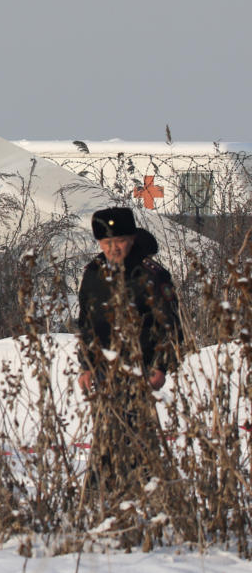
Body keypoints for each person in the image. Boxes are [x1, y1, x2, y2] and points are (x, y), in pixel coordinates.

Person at [76, 206, 182, 505]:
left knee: (137, 435)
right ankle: (100, 500)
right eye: (107, 244)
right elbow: (86, 322)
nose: (113, 248)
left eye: (119, 241)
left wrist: (160, 366)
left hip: (140, 369)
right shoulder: (93, 273)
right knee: (105, 433)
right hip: (103, 368)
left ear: (132, 239)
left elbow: (169, 324)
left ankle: (145, 497)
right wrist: (86, 365)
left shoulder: (151, 274)